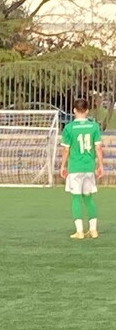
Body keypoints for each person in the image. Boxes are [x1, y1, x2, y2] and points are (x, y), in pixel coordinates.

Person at [60, 97, 104, 240]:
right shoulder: (94, 126)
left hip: (75, 167)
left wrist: (63, 166)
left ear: (74, 110)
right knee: (89, 198)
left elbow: (66, 150)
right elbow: (98, 147)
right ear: (87, 111)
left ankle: (79, 231)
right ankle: (93, 230)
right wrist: (100, 165)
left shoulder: (69, 128)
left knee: (76, 198)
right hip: (89, 167)